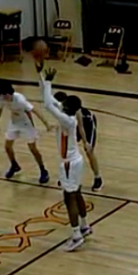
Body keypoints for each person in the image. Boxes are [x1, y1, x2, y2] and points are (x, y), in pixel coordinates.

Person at [40, 69, 92, 252]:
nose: (61, 104)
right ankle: (85, 225)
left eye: (64, 104)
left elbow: (47, 105)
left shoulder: (67, 120)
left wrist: (47, 81)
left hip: (69, 163)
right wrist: (42, 76)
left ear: (68, 108)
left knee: (68, 197)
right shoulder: (67, 114)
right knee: (77, 194)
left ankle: (76, 234)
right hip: (75, 160)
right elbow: (50, 100)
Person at [0, 80, 52, 183]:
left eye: (4, 95)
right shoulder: (1, 98)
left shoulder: (20, 99)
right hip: (14, 122)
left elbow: (35, 110)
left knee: (33, 148)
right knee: (7, 146)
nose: (3, 97)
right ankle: (14, 165)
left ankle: (43, 170)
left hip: (26, 123)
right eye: (1, 95)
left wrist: (46, 124)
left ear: (9, 92)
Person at [54, 90, 103, 192]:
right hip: (74, 126)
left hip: (87, 124)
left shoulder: (76, 110)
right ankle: (66, 176)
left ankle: (98, 178)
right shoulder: (60, 109)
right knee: (67, 150)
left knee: (89, 151)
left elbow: (81, 127)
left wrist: (85, 142)